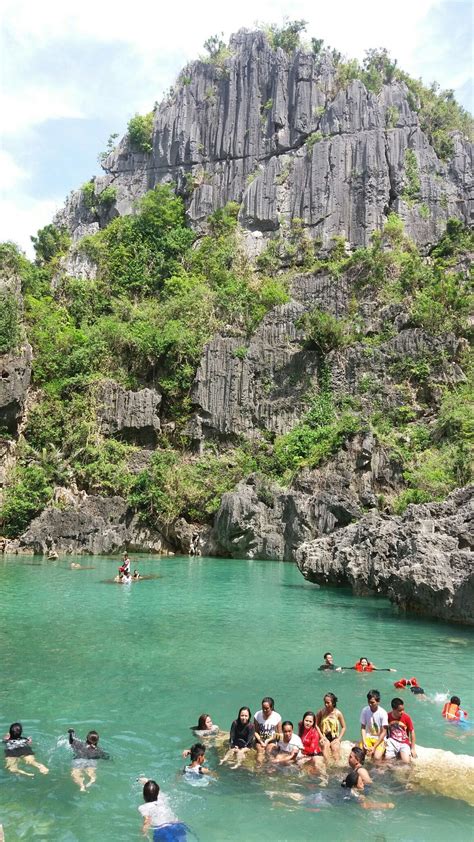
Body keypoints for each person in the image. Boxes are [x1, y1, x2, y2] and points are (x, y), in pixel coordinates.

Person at [383, 698, 417, 763]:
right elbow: (384, 729)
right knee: (388, 761)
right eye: (400, 710)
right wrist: (395, 722)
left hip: (404, 742)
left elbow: (412, 732)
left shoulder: (406, 717)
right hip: (392, 741)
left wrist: (413, 748)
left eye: (403, 710)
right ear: (393, 709)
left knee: (406, 761)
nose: (402, 712)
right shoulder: (387, 716)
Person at [316, 693, 346, 763]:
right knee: (325, 745)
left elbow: (344, 727)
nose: (326, 704)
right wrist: (321, 736)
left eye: (328, 703)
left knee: (335, 748)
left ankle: (337, 766)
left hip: (334, 737)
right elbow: (316, 725)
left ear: (333, 703)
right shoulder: (321, 712)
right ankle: (328, 765)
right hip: (324, 736)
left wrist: (339, 739)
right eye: (325, 702)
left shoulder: (338, 713)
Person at [360, 690, 388, 761]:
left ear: (378, 702)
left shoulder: (383, 713)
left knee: (377, 757)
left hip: (380, 739)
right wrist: (364, 741)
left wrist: (374, 747)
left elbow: (384, 732)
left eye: (372, 702)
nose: (370, 704)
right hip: (368, 737)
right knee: (359, 754)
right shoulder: (365, 710)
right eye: (369, 702)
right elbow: (363, 727)